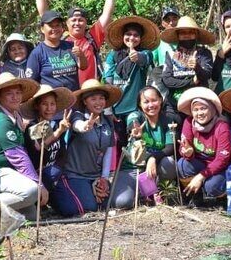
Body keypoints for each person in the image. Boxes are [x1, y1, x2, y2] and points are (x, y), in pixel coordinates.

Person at [0, 73, 48, 223]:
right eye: (9, 94)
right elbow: (17, 156)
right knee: (32, 191)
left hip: (4, 173)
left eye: (18, 93)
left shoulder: (15, 117)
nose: (15, 97)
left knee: (31, 217)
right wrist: (39, 185)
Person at [53, 80, 120, 217]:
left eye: (101, 98)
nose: (98, 102)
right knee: (88, 207)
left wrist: (104, 178)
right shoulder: (77, 116)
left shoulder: (107, 121)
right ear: (84, 101)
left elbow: (108, 151)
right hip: (74, 175)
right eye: (93, 98)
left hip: (95, 176)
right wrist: (85, 126)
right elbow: (78, 125)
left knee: (110, 203)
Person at [35, 0, 116, 82]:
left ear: (86, 23)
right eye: (73, 20)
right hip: (68, 91)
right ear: (67, 24)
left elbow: (107, 14)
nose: (77, 23)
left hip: (89, 92)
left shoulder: (92, 37)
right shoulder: (61, 38)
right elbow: (45, 16)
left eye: (80, 20)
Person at [110, 86, 177, 209]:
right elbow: (132, 122)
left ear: (161, 100)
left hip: (153, 169)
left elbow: (169, 147)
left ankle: (156, 191)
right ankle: (143, 193)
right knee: (122, 203)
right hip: (131, 169)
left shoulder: (167, 120)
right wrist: (134, 130)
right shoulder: (136, 116)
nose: (151, 105)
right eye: (146, 102)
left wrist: (152, 158)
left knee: (169, 163)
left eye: (154, 100)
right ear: (140, 105)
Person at [103, 16, 158, 146]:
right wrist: (108, 110)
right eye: (128, 34)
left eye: (136, 35)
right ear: (123, 36)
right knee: (118, 143)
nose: (132, 38)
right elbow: (108, 81)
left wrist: (136, 56)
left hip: (134, 107)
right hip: (115, 108)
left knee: (136, 138)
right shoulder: (113, 55)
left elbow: (144, 59)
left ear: (141, 38)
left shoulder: (146, 53)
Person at [20, 84, 76, 212]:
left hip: (53, 176)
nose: (49, 108)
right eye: (44, 104)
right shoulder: (32, 127)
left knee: (69, 210)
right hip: (36, 177)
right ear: (36, 106)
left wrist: (58, 170)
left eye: (52, 104)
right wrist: (58, 133)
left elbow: (62, 153)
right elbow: (39, 149)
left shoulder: (56, 124)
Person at [177, 87, 231, 205]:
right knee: (182, 164)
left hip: (218, 168)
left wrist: (201, 176)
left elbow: (222, 159)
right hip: (199, 163)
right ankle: (195, 195)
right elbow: (185, 147)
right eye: (195, 110)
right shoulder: (188, 122)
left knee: (212, 186)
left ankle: (221, 197)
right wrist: (188, 152)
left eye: (203, 108)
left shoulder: (222, 127)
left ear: (212, 109)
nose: (199, 113)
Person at [161, 16, 215, 133]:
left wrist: (197, 67)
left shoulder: (204, 53)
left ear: (196, 34)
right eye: (183, 33)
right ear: (178, 35)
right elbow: (167, 80)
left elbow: (207, 75)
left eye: (190, 32)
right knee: (174, 140)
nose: (187, 35)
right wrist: (191, 82)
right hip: (175, 106)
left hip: (198, 107)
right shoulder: (171, 54)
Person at [27, 10, 87, 92]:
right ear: (42, 29)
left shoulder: (70, 46)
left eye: (57, 25)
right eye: (51, 26)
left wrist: (81, 55)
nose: (54, 29)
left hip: (73, 99)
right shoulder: (37, 53)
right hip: (51, 102)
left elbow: (83, 67)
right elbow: (31, 82)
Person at [149, 6, 181, 98]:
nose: (171, 22)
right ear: (163, 23)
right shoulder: (158, 41)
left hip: (182, 80)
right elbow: (150, 60)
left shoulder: (186, 37)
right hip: (164, 81)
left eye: (174, 19)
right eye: (167, 20)